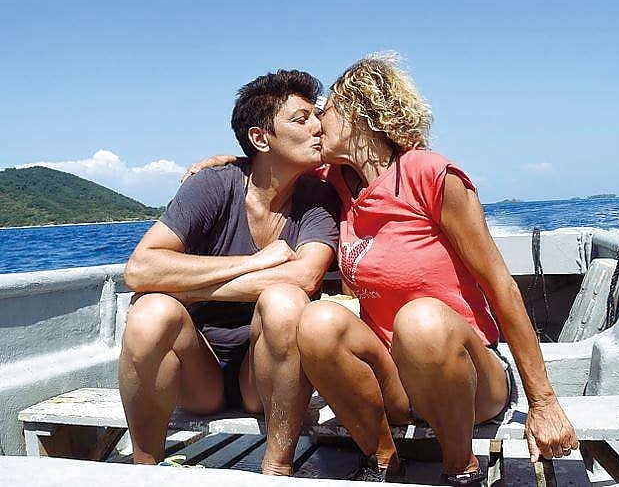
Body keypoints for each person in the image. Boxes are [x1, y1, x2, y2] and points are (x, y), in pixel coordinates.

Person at [188, 54, 578, 485]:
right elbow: (276, 161)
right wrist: (233, 162)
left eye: (325, 111)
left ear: (360, 115)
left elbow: (500, 285)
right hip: (393, 377)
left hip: (467, 375)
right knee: (317, 321)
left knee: (421, 320)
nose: (316, 123)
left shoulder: (430, 174)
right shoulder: (338, 180)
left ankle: (460, 468)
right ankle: (384, 459)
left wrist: (543, 402)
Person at [119, 69, 339, 475]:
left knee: (285, 301)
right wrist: (256, 261)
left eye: (317, 116)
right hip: (198, 371)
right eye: (301, 119)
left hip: (265, 373)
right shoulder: (214, 185)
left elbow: (304, 277)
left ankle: (277, 469)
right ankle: (144, 469)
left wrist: (191, 289)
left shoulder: (319, 197)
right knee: (150, 312)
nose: (318, 126)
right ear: (260, 138)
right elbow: (140, 268)